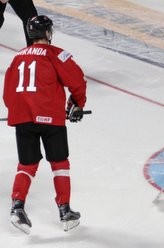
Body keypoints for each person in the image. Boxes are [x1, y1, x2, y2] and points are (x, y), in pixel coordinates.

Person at [3, 15, 87, 234]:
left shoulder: (17, 57)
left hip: (22, 118)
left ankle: (17, 208)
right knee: (60, 163)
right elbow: (77, 80)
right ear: (48, 33)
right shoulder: (56, 53)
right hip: (50, 116)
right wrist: (76, 104)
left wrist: (19, 112)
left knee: (27, 165)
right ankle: (65, 211)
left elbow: (7, 95)